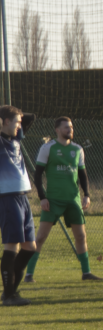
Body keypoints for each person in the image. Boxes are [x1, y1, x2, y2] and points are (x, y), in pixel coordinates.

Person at [25, 117, 103, 284]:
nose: (70, 130)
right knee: (40, 237)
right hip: (53, 200)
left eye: (71, 127)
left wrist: (86, 194)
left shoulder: (78, 149)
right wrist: (42, 198)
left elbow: (82, 174)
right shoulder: (48, 148)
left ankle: (86, 273)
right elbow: (37, 175)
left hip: (73, 199)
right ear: (57, 130)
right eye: (66, 127)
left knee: (81, 236)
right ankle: (28, 275)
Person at [0, 106, 37, 307]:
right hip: (7, 197)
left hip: (23, 197)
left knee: (30, 247)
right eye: (16, 122)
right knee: (12, 246)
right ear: (4, 122)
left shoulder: (16, 139)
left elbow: (32, 117)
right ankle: (9, 296)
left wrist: (17, 115)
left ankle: (10, 291)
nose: (20, 126)